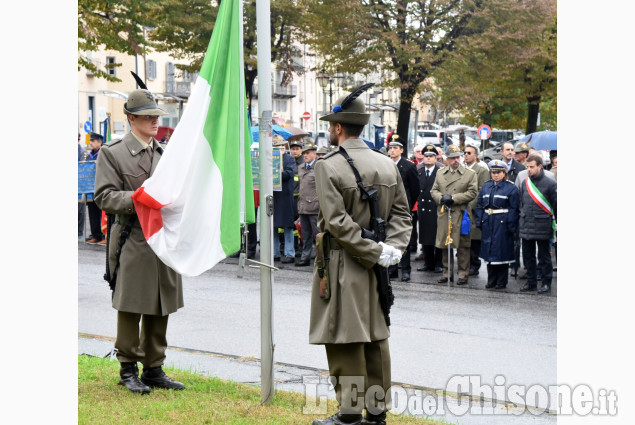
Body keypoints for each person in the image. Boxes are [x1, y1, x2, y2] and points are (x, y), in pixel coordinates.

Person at [309, 89, 412, 425]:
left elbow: (337, 223)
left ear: (339, 128)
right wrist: (390, 250)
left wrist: (373, 251)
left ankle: (350, 413)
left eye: (331, 125)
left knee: (344, 335)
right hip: (377, 264)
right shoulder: (386, 163)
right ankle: (377, 413)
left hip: (343, 261)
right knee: (375, 335)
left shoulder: (328, 166)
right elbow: (401, 214)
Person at [94, 85, 185, 394]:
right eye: (147, 117)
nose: (154, 122)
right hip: (132, 236)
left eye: (156, 116)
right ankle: (128, 368)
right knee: (131, 305)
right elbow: (104, 197)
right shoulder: (113, 153)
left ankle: (154, 368)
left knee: (162, 303)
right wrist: (140, 199)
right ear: (131, 119)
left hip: (163, 239)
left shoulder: (164, 153)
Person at [430, 145, 478, 285]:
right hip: (445, 213)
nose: (455, 160)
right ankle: (447, 273)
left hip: (461, 213)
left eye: (457, 157)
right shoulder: (440, 173)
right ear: (447, 159)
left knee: (463, 245)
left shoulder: (470, 173)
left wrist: (453, 198)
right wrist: (441, 198)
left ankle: (463, 274)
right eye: (452, 158)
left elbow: (472, 192)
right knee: (446, 244)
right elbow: (433, 190)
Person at [475, 160, 520, 289]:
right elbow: (479, 205)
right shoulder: (486, 186)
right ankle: (491, 280)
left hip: (502, 223)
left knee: (501, 252)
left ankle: (501, 281)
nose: (495, 175)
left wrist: (510, 226)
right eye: (493, 172)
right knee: (489, 252)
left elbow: (514, 209)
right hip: (488, 222)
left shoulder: (511, 188)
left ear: (504, 172)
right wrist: (480, 221)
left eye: (499, 172)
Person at [518, 154, 557, 294]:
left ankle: (546, 283)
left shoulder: (551, 184)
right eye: (527, 167)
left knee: (544, 257)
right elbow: (523, 204)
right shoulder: (525, 183)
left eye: (532, 167)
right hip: (527, 225)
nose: (529, 170)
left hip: (542, 225)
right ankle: (531, 282)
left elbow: (556, 206)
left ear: (540, 166)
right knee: (528, 257)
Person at [387, 135, 420, 282]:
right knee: (389, 238)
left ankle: (405, 269)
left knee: (403, 238)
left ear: (401, 150)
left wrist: (408, 206)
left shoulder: (409, 166)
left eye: (395, 148)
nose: (392, 151)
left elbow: (415, 189)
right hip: (387, 207)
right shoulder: (385, 164)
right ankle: (392, 269)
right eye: (391, 148)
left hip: (403, 208)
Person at [416, 144, 443, 274]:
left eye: (431, 156)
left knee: (437, 236)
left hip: (435, 206)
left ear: (436, 158)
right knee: (425, 236)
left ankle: (439, 263)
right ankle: (428, 263)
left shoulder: (441, 171)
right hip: (423, 207)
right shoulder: (419, 170)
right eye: (426, 156)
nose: (428, 159)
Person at [463, 145, 489, 276]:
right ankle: (464, 264)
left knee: (473, 240)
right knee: (463, 239)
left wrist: (468, 204)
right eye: (465, 152)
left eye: (469, 153)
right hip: (460, 208)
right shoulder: (461, 169)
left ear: (476, 155)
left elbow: (482, 191)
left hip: (473, 210)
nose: (466, 155)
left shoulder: (482, 171)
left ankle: (474, 264)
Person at [273, 137, 298, 263]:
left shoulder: (289, 158)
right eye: (276, 146)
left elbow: (289, 173)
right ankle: (274, 253)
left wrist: (275, 175)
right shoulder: (269, 157)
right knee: (272, 226)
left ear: (284, 147)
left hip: (285, 195)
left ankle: (289, 253)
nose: (279, 149)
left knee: (288, 226)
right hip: (273, 195)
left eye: (281, 146)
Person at [296, 142, 320, 267]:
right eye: (304, 153)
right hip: (303, 207)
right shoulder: (301, 167)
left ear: (314, 154)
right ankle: (305, 258)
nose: (305, 155)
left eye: (308, 153)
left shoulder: (319, 167)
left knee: (318, 236)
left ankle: (320, 259)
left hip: (315, 207)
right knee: (305, 236)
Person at [84, 133, 107, 244]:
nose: (91, 143)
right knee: (92, 212)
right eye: (91, 141)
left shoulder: (104, 154)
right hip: (90, 187)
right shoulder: (88, 155)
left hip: (100, 187)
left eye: (93, 141)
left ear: (100, 142)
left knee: (101, 212)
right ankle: (96, 235)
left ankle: (104, 236)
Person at [289, 140, 305, 256]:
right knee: (291, 223)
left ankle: (301, 246)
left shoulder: (303, 161)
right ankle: (293, 246)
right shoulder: (289, 160)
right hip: (290, 196)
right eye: (293, 149)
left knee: (300, 223)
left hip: (299, 196)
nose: (294, 151)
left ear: (301, 150)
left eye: (297, 149)